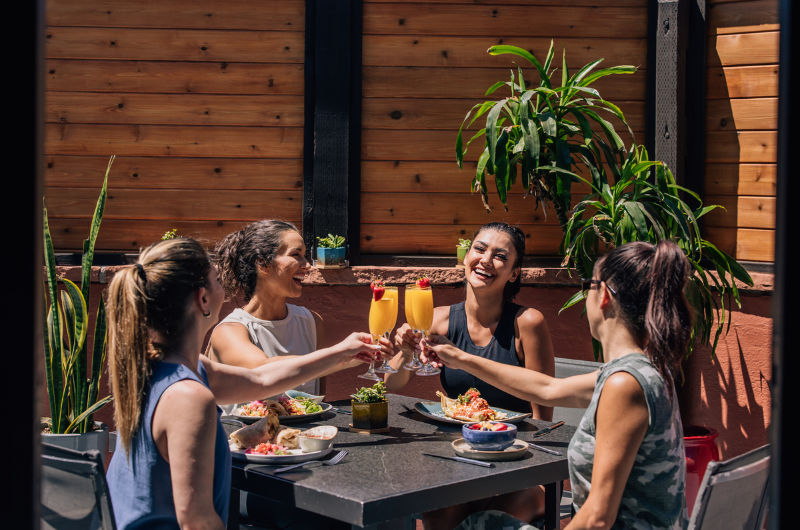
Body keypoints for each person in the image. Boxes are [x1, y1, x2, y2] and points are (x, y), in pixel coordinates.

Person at [105, 238, 384, 530]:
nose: (223, 287)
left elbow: (261, 379)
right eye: (216, 280)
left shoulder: (171, 367)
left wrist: (340, 354)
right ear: (202, 300)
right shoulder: (188, 396)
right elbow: (197, 522)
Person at [424, 241, 690, 530]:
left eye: (588, 283)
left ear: (603, 296)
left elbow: (597, 519)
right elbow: (546, 389)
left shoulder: (625, 384)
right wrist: (462, 358)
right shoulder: (635, 372)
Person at [385, 222, 556, 529]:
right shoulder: (438, 318)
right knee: (438, 519)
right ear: (465, 258)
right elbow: (392, 384)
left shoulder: (527, 323)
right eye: (479, 249)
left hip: (520, 467)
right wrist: (407, 352)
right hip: (461, 463)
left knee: (486, 524)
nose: (486, 260)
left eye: (500, 255)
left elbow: (543, 420)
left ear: (514, 273)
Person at [207, 220, 362, 397]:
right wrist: (339, 355)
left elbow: (316, 401)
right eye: (296, 255)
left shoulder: (311, 322)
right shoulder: (229, 331)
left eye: (305, 255)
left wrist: (344, 357)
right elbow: (263, 372)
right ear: (263, 264)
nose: (308, 265)